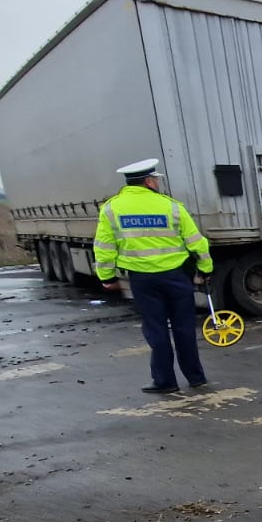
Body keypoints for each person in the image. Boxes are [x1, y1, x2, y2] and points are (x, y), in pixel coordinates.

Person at [94, 158, 213, 394]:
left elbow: (104, 247)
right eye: (156, 180)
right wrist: (205, 269)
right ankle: (196, 377)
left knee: (156, 328)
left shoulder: (111, 208)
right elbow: (197, 242)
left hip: (142, 279)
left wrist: (106, 277)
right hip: (176, 276)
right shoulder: (172, 206)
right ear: (148, 181)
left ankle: (165, 381)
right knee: (184, 328)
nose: (157, 183)